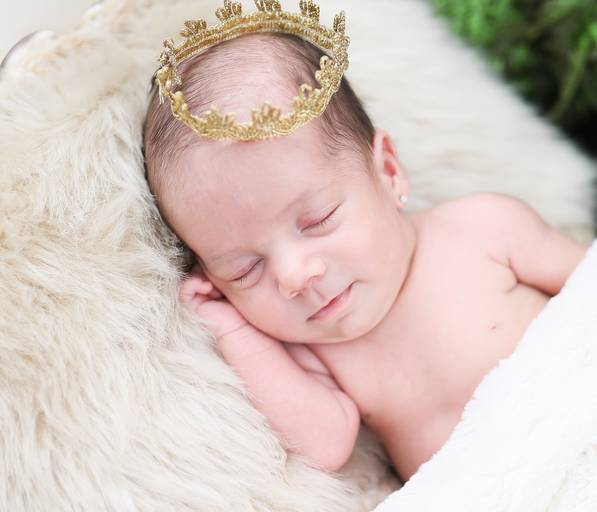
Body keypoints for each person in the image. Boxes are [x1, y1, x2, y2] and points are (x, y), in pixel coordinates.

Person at [143, 14, 589, 482]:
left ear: (388, 172)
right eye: (245, 269)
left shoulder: (482, 228)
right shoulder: (315, 348)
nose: (294, 275)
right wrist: (231, 330)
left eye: (318, 220)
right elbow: (325, 445)